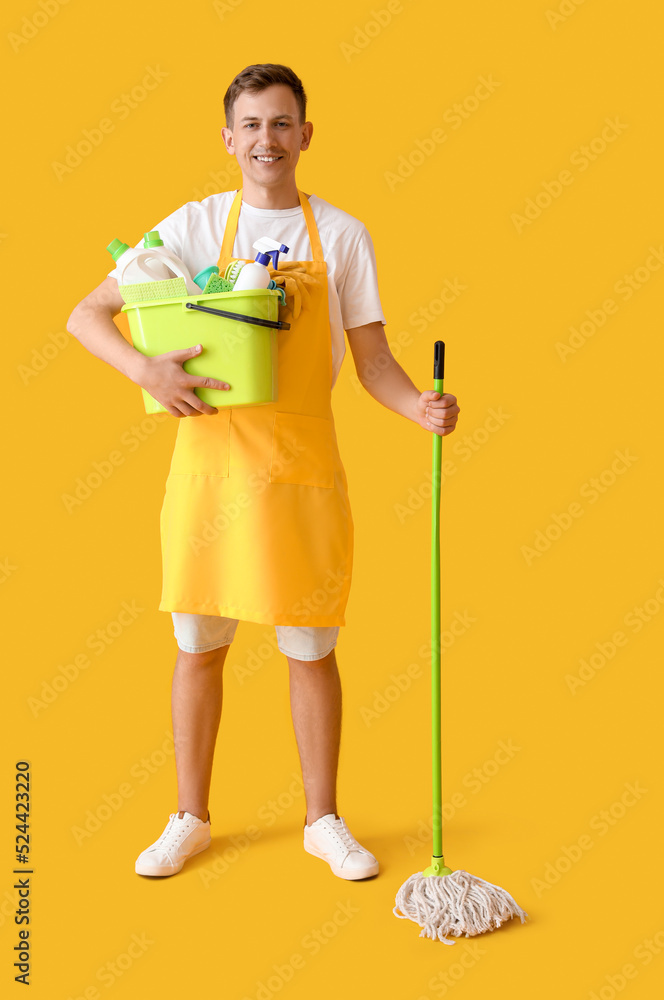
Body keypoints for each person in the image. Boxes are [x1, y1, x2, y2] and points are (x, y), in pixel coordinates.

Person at [67, 63, 460, 882]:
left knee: (310, 647)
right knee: (197, 643)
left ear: (305, 135)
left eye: (281, 124)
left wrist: (417, 406)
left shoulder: (343, 234)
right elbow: (87, 314)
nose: (265, 140)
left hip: (300, 467)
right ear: (227, 139)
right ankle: (189, 818)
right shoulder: (192, 225)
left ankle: (323, 821)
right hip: (209, 464)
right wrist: (148, 373)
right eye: (250, 125)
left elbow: (373, 362)